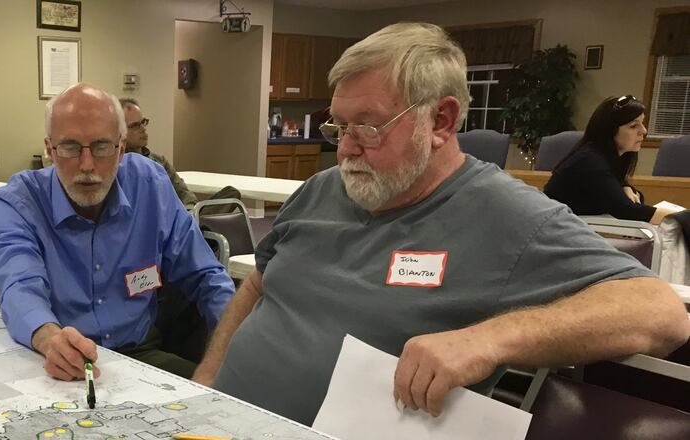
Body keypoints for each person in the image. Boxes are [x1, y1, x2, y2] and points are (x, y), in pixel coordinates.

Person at [190, 23, 690, 426]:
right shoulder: (324, 188)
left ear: (442, 122)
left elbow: (662, 313)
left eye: (367, 125)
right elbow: (259, 284)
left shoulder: (506, 214)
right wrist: (207, 385)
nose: (344, 148)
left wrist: (488, 341)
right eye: (337, 126)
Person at [0, 83, 234, 381]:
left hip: (141, 355)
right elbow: (19, 286)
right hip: (53, 361)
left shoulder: (149, 184)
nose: (87, 165)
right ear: (50, 151)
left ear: (121, 148)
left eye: (102, 147)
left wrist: (229, 349)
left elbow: (206, 275)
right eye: (70, 147)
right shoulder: (16, 202)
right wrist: (47, 338)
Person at [544, 95, 674, 224]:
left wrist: (625, 187)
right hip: (554, 229)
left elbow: (629, 200)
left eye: (642, 123)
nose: (644, 131)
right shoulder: (589, 161)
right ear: (610, 130)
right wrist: (682, 218)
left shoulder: (608, 156)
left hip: (577, 227)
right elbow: (627, 210)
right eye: (633, 126)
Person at [120, 98, 240, 213]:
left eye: (143, 122)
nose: (143, 129)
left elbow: (184, 193)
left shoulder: (159, 162)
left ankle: (197, 224)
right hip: (157, 221)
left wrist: (189, 212)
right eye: (135, 125)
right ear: (120, 131)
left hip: (180, 217)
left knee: (231, 193)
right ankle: (200, 225)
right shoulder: (118, 166)